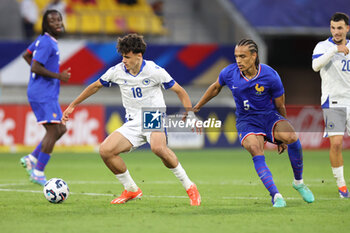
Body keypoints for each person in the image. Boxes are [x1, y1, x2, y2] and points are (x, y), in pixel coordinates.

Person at [62, 33, 201, 206]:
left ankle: (190, 187)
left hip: (153, 115)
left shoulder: (154, 71)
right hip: (133, 121)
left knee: (158, 148)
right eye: (122, 56)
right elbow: (95, 86)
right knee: (106, 151)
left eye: (127, 57)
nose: (123, 60)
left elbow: (180, 91)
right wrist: (73, 105)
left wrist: (190, 113)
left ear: (139, 55)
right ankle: (131, 189)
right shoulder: (117, 71)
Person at [193, 39, 314, 207]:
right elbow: (215, 87)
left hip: (269, 117)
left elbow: (280, 105)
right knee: (255, 148)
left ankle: (298, 182)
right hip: (246, 121)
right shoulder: (229, 73)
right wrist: (197, 106)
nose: (238, 60)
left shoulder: (270, 75)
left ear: (254, 55)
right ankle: (276, 195)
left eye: (242, 56)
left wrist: (282, 137)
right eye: (236, 56)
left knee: (292, 136)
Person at [20, 10, 71, 186]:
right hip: (42, 93)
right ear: (45, 24)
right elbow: (35, 66)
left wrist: (46, 77)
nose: (57, 23)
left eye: (59, 20)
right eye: (52, 21)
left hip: (46, 92)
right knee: (52, 131)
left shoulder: (43, 40)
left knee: (61, 129)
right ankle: (38, 172)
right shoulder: (47, 43)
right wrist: (58, 76)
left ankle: (32, 158)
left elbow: (26, 55)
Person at [312, 12, 350, 198]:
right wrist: (335, 50)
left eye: (340, 28)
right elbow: (315, 66)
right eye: (333, 28)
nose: (336, 32)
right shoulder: (323, 46)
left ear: (347, 29)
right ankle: (342, 187)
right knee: (336, 144)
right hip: (333, 101)